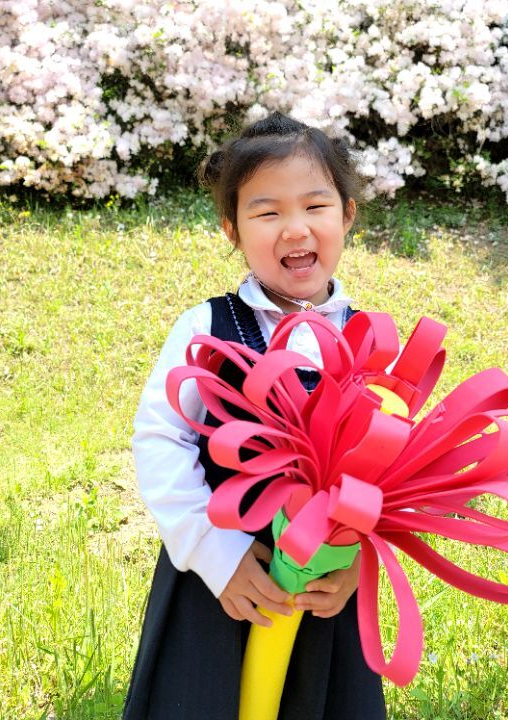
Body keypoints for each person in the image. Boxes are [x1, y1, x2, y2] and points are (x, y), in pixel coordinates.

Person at [122, 112, 387, 720]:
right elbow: (160, 438)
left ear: (347, 215)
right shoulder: (207, 330)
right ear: (233, 229)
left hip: (325, 589)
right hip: (222, 584)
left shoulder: (368, 339)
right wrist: (216, 554)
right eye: (266, 213)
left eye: (315, 206)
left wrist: (357, 563)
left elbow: (384, 468)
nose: (295, 228)